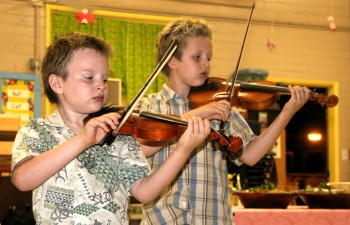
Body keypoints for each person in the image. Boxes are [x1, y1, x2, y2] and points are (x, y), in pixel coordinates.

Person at [10, 32, 211, 224]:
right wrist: (83, 140)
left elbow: (144, 192)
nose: (101, 85)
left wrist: (183, 149)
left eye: (104, 79)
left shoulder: (118, 134)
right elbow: (23, 179)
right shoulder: (37, 130)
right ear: (57, 83)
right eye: (89, 77)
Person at [138, 17, 311, 224]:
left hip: (214, 218)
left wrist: (287, 113)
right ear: (172, 61)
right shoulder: (150, 106)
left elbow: (250, 155)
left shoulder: (220, 104)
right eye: (197, 57)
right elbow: (141, 148)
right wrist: (199, 114)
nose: (206, 64)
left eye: (209, 58)